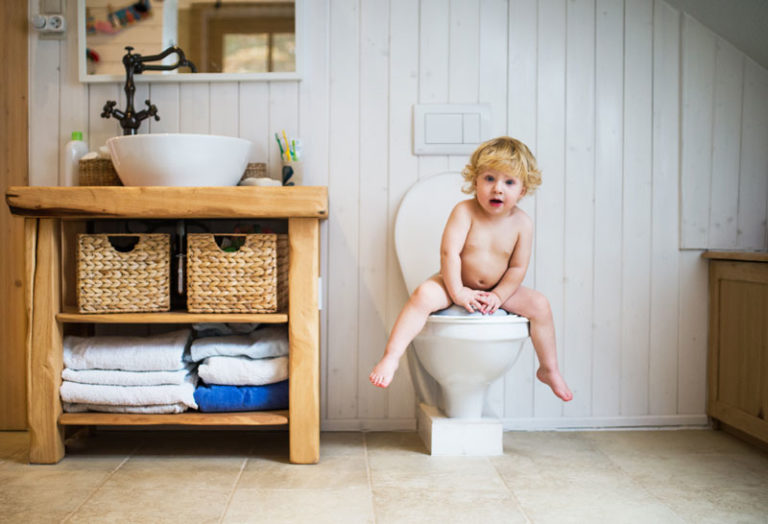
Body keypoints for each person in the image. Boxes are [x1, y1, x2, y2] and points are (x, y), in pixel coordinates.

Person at [369, 137, 572, 402]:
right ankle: (391, 357)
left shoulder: (523, 223)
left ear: (523, 189)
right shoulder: (464, 211)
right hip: (453, 281)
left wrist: (499, 296)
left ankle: (549, 369)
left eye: (509, 182)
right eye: (489, 178)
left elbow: (517, 268)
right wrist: (458, 292)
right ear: (475, 180)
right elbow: (449, 254)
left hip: (498, 289)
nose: (497, 189)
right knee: (423, 296)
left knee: (540, 305)